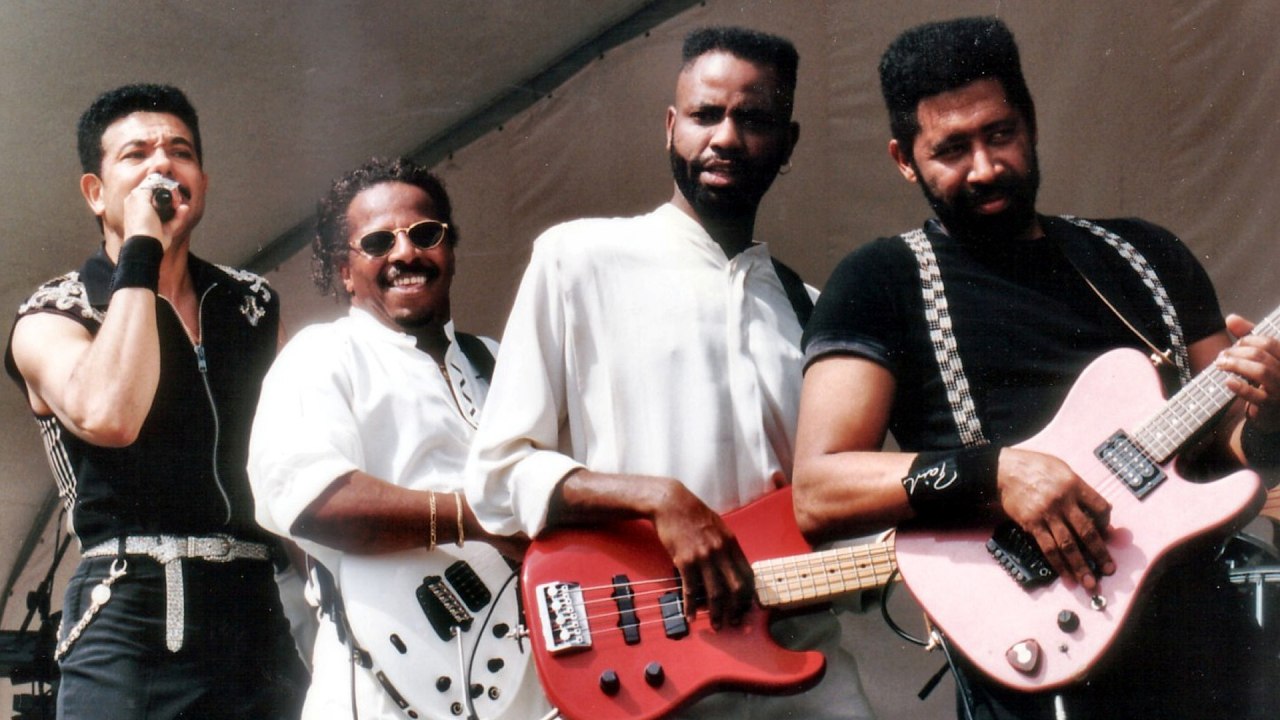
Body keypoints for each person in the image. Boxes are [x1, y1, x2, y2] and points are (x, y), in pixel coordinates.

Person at [793, 16, 1280, 720]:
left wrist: (1270, 412)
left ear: (1031, 122)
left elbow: (1236, 454)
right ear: (904, 160)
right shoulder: (880, 281)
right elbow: (819, 490)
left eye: (1000, 134)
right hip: (1036, 660)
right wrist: (996, 472)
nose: (985, 167)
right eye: (951, 149)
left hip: (1207, 650)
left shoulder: (1146, 257)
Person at [466, 26, 874, 719]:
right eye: (705, 114)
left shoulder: (810, 311)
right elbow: (497, 476)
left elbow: (835, 511)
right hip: (644, 671)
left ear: (789, 143)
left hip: (802, 668)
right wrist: (659, 500)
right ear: (669, 127)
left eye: (753, 119)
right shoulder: (578, 260)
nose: (726, 137)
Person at [3, 83, 307, 718]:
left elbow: (295, 461)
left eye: (180, 152)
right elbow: (108, 415)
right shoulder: (54, 313)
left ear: (202, 181)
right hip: (130, 614)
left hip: (254, 616)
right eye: (136, 154)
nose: (162, 165)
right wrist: (142, 249)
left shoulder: (251, 305)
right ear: (95, 192)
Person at [247, 157, 551, 719]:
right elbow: (316, 503)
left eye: (425, 234)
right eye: (378, 241)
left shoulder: (502, 363)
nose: (406, 253)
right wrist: (477, 521)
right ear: (344, 271)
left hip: (526, 685)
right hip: (380, 693)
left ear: (450, 250)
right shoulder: (323, 356)